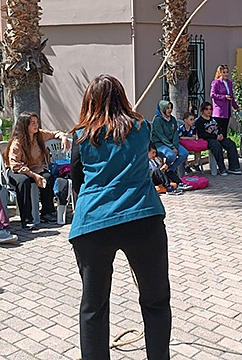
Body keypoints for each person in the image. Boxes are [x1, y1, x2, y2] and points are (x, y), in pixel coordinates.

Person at [69, 74, 172, 360]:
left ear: (89, 101)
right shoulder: (141, 128)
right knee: (156, 301)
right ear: (122, 98)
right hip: (142, 219)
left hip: (93, 223)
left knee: (94, 306)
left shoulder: (81, 135)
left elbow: (77, 180)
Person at [4, 111, 70, 229]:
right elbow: (15, 165)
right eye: (32, 123)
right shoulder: (17, 142)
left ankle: (47, 212)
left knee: (48, 177)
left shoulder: (39, 135)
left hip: (35, 168)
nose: (36, 125)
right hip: (17, 171)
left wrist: (63, 137)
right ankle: (27, 219)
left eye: (36, 122)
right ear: (25, 126)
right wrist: (33, 175)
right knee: (24, 182)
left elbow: (55, 133)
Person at [195, 101, 241, 176]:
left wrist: (221, 135)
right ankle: (222, 168)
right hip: (208, 140)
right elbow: (202, 134)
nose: (209, 111)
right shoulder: (199, 121)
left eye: (210, 109)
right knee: (216, 146)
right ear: (202, 111)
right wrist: (215, 137)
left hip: (218, 137)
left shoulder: (213, 120)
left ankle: (234, 167)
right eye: (207, 109)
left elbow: (219, 129)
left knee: (230, 144)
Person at [151, 100, 190, 187]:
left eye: (170, 108)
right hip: (160, 144)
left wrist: (175, 145)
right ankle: (165, 170)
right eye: (167, 108)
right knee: (171, 155)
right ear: (162, 109)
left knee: (184, 153)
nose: (169, 110)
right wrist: (172, 147)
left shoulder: (172, 119)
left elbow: (175, 134)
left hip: (172, 144)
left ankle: (170, 169)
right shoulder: (158, 120)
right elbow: (161, 136)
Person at [210, 64, 240, 137]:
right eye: (224, 72)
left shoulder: (229, 83)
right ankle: (218, 146)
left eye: (227, 72)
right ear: (220, 73)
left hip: (227, 111)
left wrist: (236, 107)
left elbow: (231, 97)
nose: (226, 74)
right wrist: (224, 97)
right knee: (218, 131)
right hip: (219, 111)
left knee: (224, 131)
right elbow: (212, 94)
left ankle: (224, 146)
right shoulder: (216, 83)